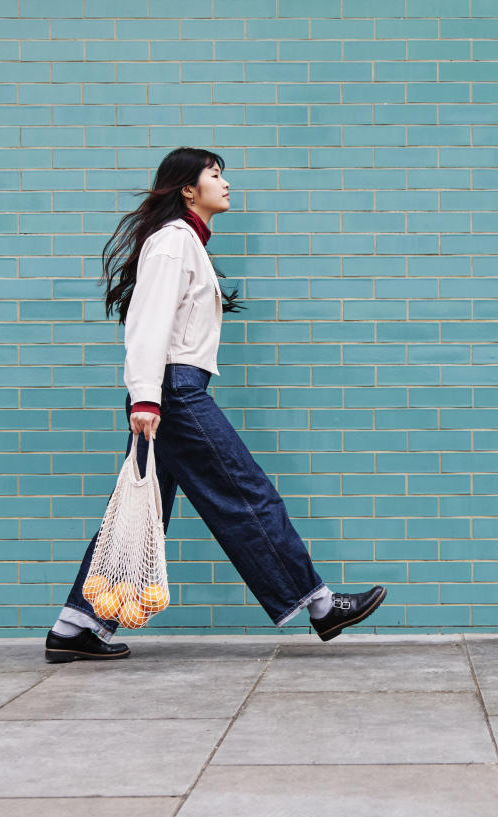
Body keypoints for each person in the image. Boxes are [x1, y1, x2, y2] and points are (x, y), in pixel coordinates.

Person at [44, 147, 386, 663]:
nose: (226, 184)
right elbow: (147, 325)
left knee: (142, 515)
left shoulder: (188, 245)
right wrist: (146, 398)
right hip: (173, 394)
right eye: (215, 175)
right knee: (247, 492)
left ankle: (76, 627)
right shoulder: (173, 243)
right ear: (189, 188)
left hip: (172, 392)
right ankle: (320, 605)